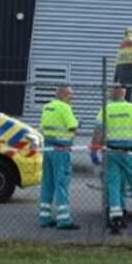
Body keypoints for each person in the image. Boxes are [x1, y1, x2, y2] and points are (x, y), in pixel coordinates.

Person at [93, 84, 132, 236]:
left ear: (113, 92)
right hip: (130, 153)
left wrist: (95, 149)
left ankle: (116, 221)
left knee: (114, 186)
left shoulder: (106, 109)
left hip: (111, 152)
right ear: (124, 93)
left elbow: (98, 131)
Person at [38, 84, 79, 230]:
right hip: (61, 150)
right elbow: (73, 126)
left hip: (48, 147)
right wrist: (76, 127)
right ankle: (64, 219)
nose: (72, 97)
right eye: (70, 94)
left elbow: (43, 127)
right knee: (61, 183)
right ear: (62, 94)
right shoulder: (65, 107)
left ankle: (45, 217)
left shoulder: (47, 107)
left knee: (47, 183)